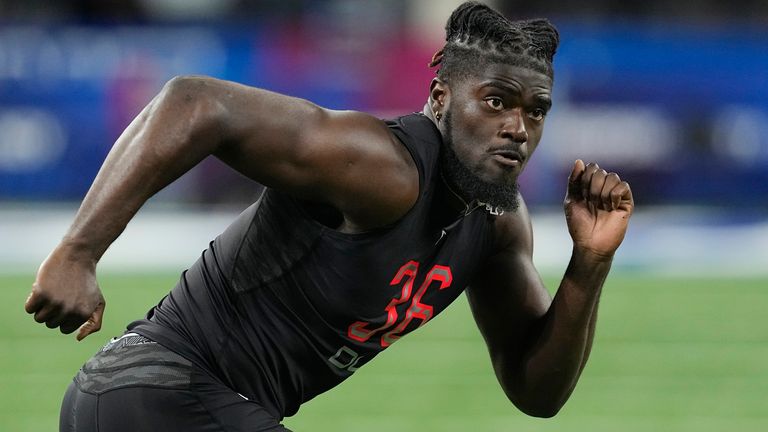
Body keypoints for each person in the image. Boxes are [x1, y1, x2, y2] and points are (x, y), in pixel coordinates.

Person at [26, 2, 634, 431]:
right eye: (497, 101)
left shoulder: (498, 224)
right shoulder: (383, 168)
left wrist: (588, 265)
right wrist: (78, 253)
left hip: (168, 404)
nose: (518, 128)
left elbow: (537, 393)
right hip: (161, 392)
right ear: (442, 99)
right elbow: (194, 101)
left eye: (537, 112)